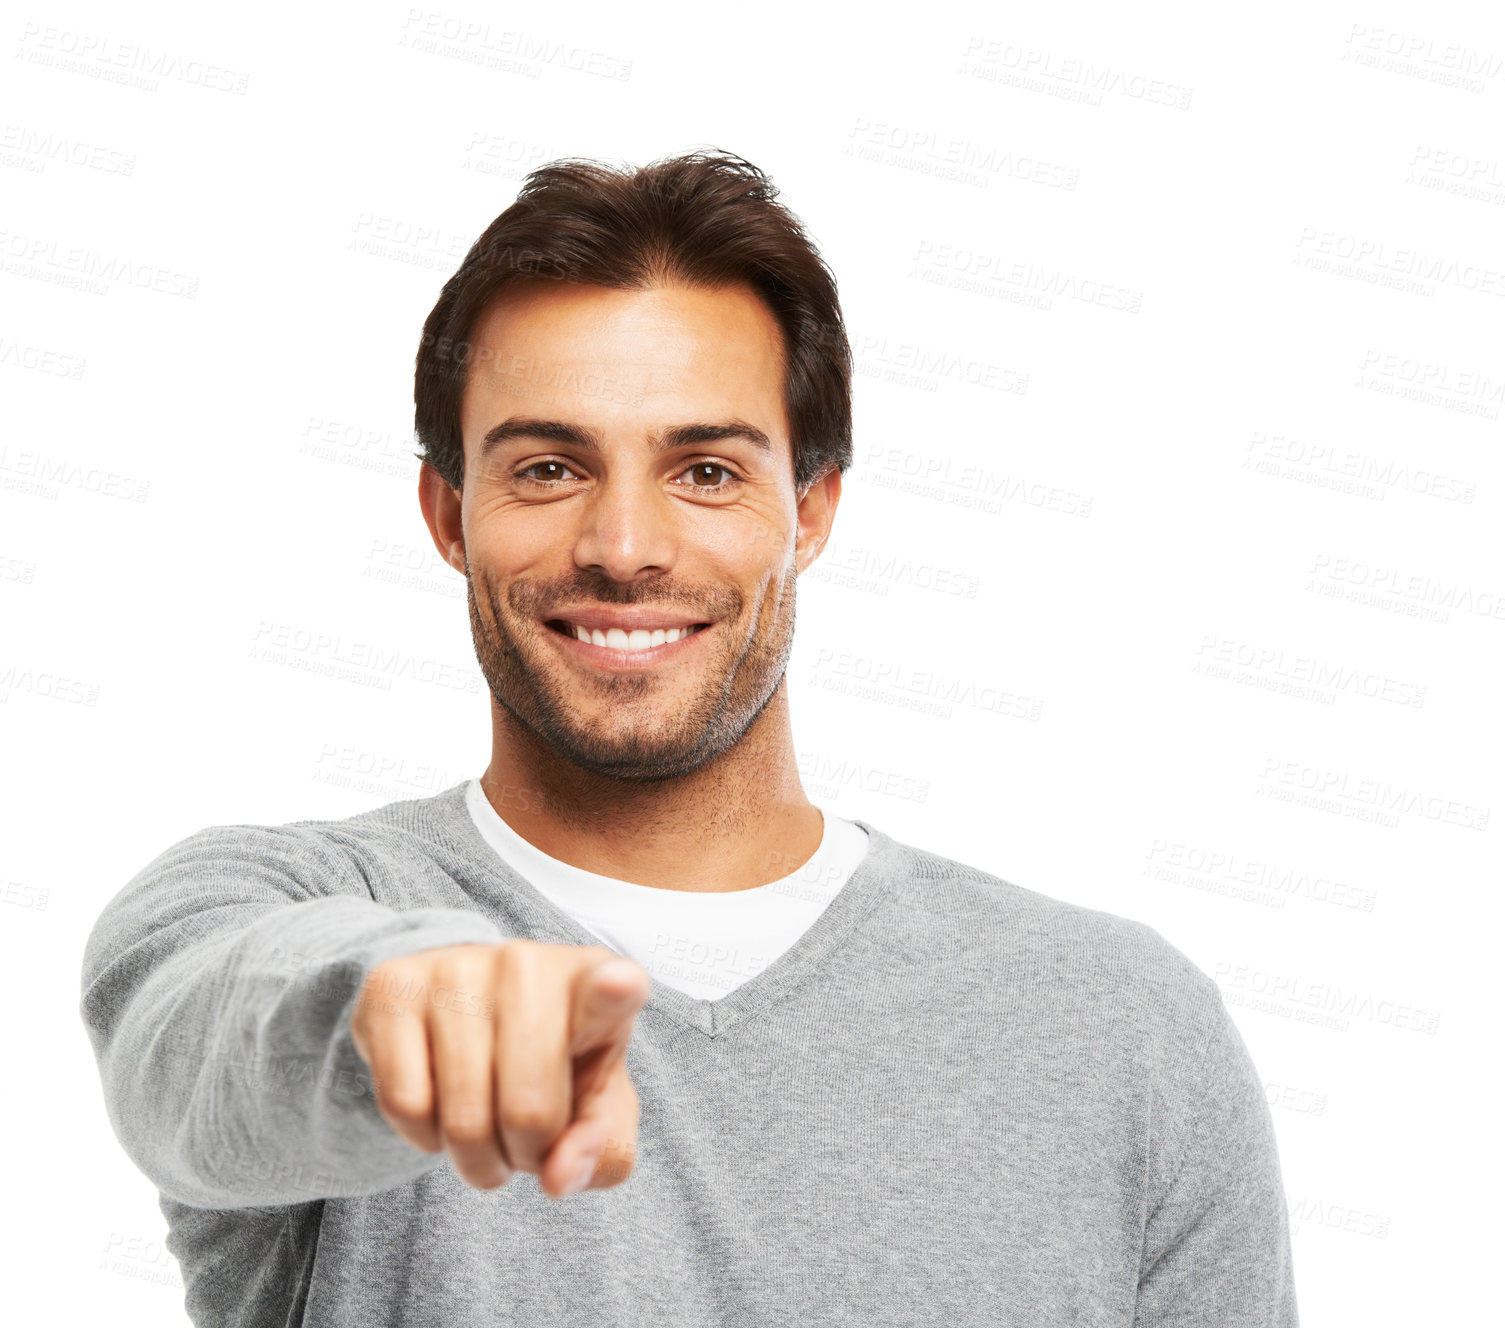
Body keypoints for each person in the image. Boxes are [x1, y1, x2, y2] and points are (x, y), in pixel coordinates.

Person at [79, 150, 1299, 1326]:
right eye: (549, 466)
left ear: (808, 509)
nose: (623, 543)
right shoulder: (270, 900)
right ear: (449, 513)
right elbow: (195, 1049)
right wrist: (390, 1008)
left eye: (706, 471)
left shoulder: (1124, 1025)